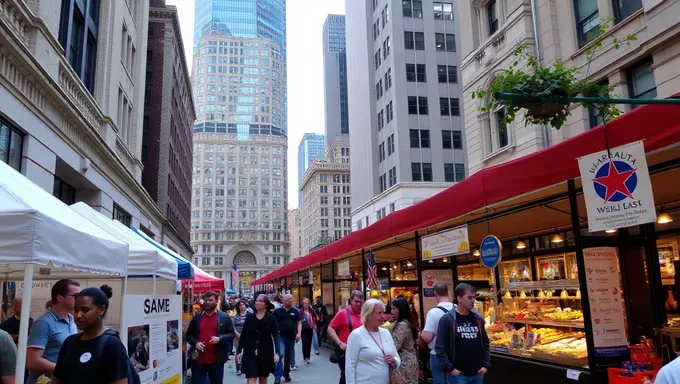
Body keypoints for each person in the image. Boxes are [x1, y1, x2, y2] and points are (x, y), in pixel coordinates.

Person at [51, 285, 137, 384]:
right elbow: (56, 378)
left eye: (85, 310)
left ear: (101, 310)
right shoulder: (70, 342)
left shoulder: (112, 345)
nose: (78, 315)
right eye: (76, 310)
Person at [26, 279, 80, 384]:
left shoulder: (72, 320)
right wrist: (66, 369)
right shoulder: (43, 323)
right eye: (76, 296)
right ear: (60, 297)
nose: (80, 299)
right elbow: (32, 362)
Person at [435, 283, 490, 384]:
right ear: (459, 298)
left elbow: (485, 343)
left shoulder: (477, 319)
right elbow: (439, 347)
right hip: (458, 375)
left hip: (478, 372)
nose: (473, 300)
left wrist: (486, 365)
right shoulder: (447, 319)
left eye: (474, 297)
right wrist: (450, 369)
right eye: (469, 297)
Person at [345, 299, 400, 384]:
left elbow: (397, 358)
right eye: (379, 313)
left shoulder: (386, 333)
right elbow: (350, 366)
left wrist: (394, 360)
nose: (383, 316)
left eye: (383, 312)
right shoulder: (356, 335)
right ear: (368, 314)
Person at [186, 290, 235, 384]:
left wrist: (220, 338)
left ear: (216, 301)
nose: (207, 302)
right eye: (206, 300)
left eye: (210, 300)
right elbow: (189, 335)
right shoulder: (197, 317)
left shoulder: (224, 317)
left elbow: (231, 334)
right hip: (198, 358)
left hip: (216, 359)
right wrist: (196, 343)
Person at [236, 294, 281, 384]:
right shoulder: (250, 318)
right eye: (256, 300)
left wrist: (277, 352)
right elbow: (244, 335)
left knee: (263, 377)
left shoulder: (271, 318)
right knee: (251, 377)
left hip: (265, 350)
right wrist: (239, 351)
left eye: (260, 301)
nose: (257, 302)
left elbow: (276, 335)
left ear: (266, 304)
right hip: (250, 350)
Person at [420, 282, 455, 384]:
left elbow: (427, 337)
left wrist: (421, 333)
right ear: (447, 292)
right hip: (455, 354)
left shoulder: (433, 312)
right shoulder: (457, 308)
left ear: (435, 294)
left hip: (437, 355)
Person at [327, 291, 364, 384]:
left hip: (361, 351)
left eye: (361, 302)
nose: (358, 304)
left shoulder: (365, 314)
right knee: (346, 375)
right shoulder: (343, 313)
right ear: (351, 301)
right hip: (346, 351)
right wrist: (339, 342)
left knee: (359, 375)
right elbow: (330, 328)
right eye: (356, 301)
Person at [273, 294, 301, 384]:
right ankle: (277, 376)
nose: (289, 302)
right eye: (287, 300)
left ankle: (286, 373)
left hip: (291, 337)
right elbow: (272, 322)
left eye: (290, 300)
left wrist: (299, 334)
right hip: (280, 336)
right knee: (280, 354)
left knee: (288, 357)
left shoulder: (295, 311)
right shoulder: (277, 311)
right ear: (283, 301)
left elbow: (299, 323)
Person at [390, 297, 419, 384]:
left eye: (394, 309)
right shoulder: (407, 322)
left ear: (401, 310)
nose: (391, 312)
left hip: (404, 363)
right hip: (409, 361)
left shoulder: (402, 325)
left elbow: (395, 346)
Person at [233, 299, 250, 376]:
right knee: (238, 351)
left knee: (246, 351)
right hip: (237, 336)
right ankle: (238, 368)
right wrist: (237, 333)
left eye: (243, 305)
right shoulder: (236, 316)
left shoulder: (250, 315)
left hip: (247, 336)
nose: (242, 306)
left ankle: (245, 366)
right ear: (238, 307)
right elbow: (232, 325)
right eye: (240, 305)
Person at [299, 298, 318, 363]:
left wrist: (314, 325)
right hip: (303, 329)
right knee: (305, 343)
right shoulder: (300, 311)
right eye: (304, 303)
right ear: (303, 304)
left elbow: (315, 318)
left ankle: (308, 357)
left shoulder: (312, 311)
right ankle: (305, 356)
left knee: (309, 343)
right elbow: (298, 321)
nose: (306, 305)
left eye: (307, 303)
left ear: (309, 304)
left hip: (310, 328)